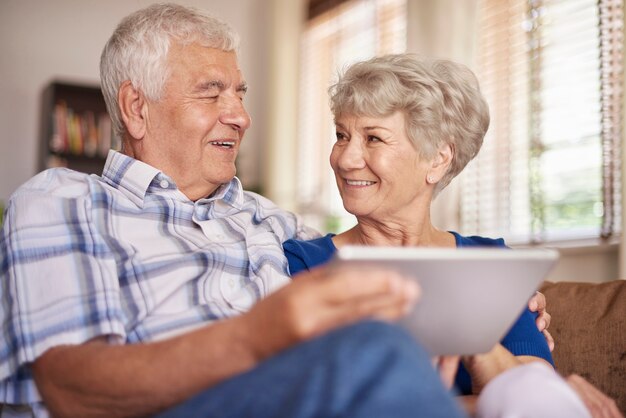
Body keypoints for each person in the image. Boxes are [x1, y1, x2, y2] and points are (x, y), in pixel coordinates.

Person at [0, 4, 470, 418]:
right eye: (211, 92)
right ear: (136, 108)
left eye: (240, 93)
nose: (241, 116)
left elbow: (373, 247)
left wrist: (486, 297)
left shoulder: (269, 219)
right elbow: (72, 392)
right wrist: (257, 336)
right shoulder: (65, 202)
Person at [283, 53, 623, 418]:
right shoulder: (303, 263)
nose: (345, 158)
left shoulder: (492, 262)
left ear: (438, 159)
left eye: (373, 139)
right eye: (342, 135)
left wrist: (475, 342)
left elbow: (538, 397)